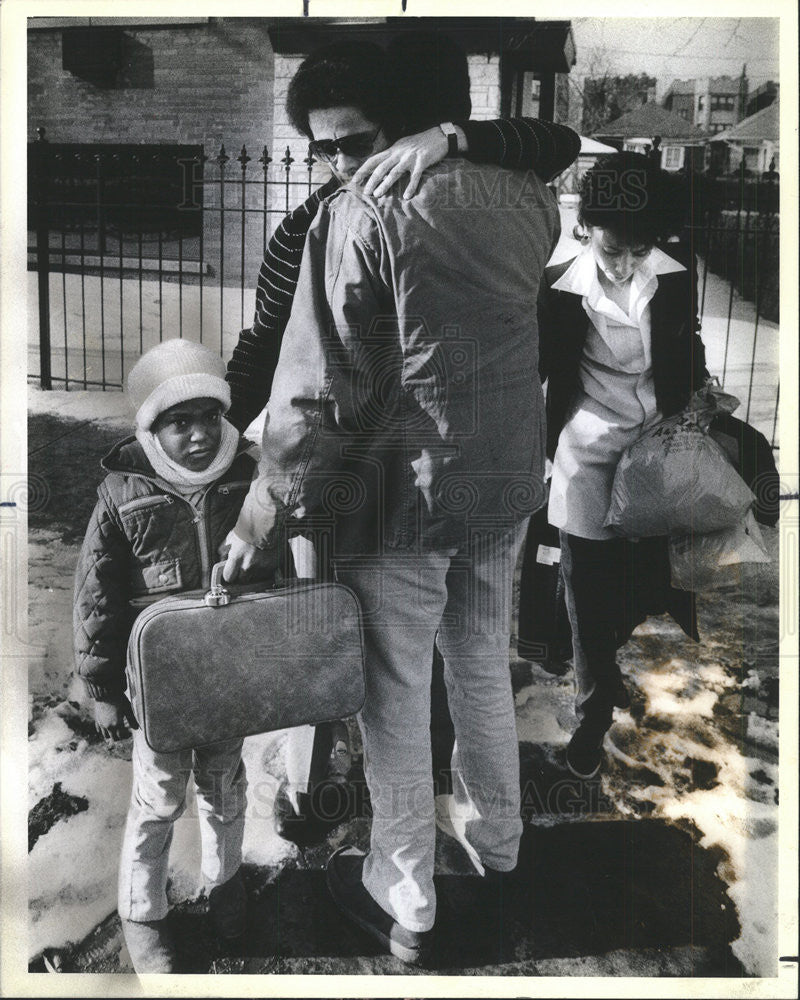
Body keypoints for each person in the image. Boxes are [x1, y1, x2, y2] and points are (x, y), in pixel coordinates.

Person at [223, 43, 561, 965]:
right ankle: (499, 846)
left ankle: (404, 895)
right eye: (322, 151)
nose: (338, 165)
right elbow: (557, 143)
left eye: (354, 141)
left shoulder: (359, 214)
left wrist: (259, 517)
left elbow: (308, 399)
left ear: (400, 121)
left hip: (405, 501)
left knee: (396, 698)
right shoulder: (524, 195)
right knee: (483, 667)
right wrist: (456, 139)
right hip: (502, 487)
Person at [73, 339, 262, 973]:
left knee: (225, 788)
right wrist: (100, 689)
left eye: (211, 417)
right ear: (152, 429)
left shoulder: (247, 478)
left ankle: (225, 883)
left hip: (228, 679)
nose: (202, 435)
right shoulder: (123, 495)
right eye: (180, 423)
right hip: (156, 687)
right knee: (157, 800)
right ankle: (143, 915)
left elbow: (278, 569)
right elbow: (96, 598)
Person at [537, 152, 708, 780]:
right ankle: (592, 712)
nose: (625, 264)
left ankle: (603, 667)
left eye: (638, 249)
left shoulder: (675, 273)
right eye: (613, 249)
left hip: (655, 444)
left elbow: (685, 348)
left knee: (641, 581)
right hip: (585, 447)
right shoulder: (558, 284)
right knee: (583, 586)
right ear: (587, 228)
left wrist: (698, 398)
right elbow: (538, 366)